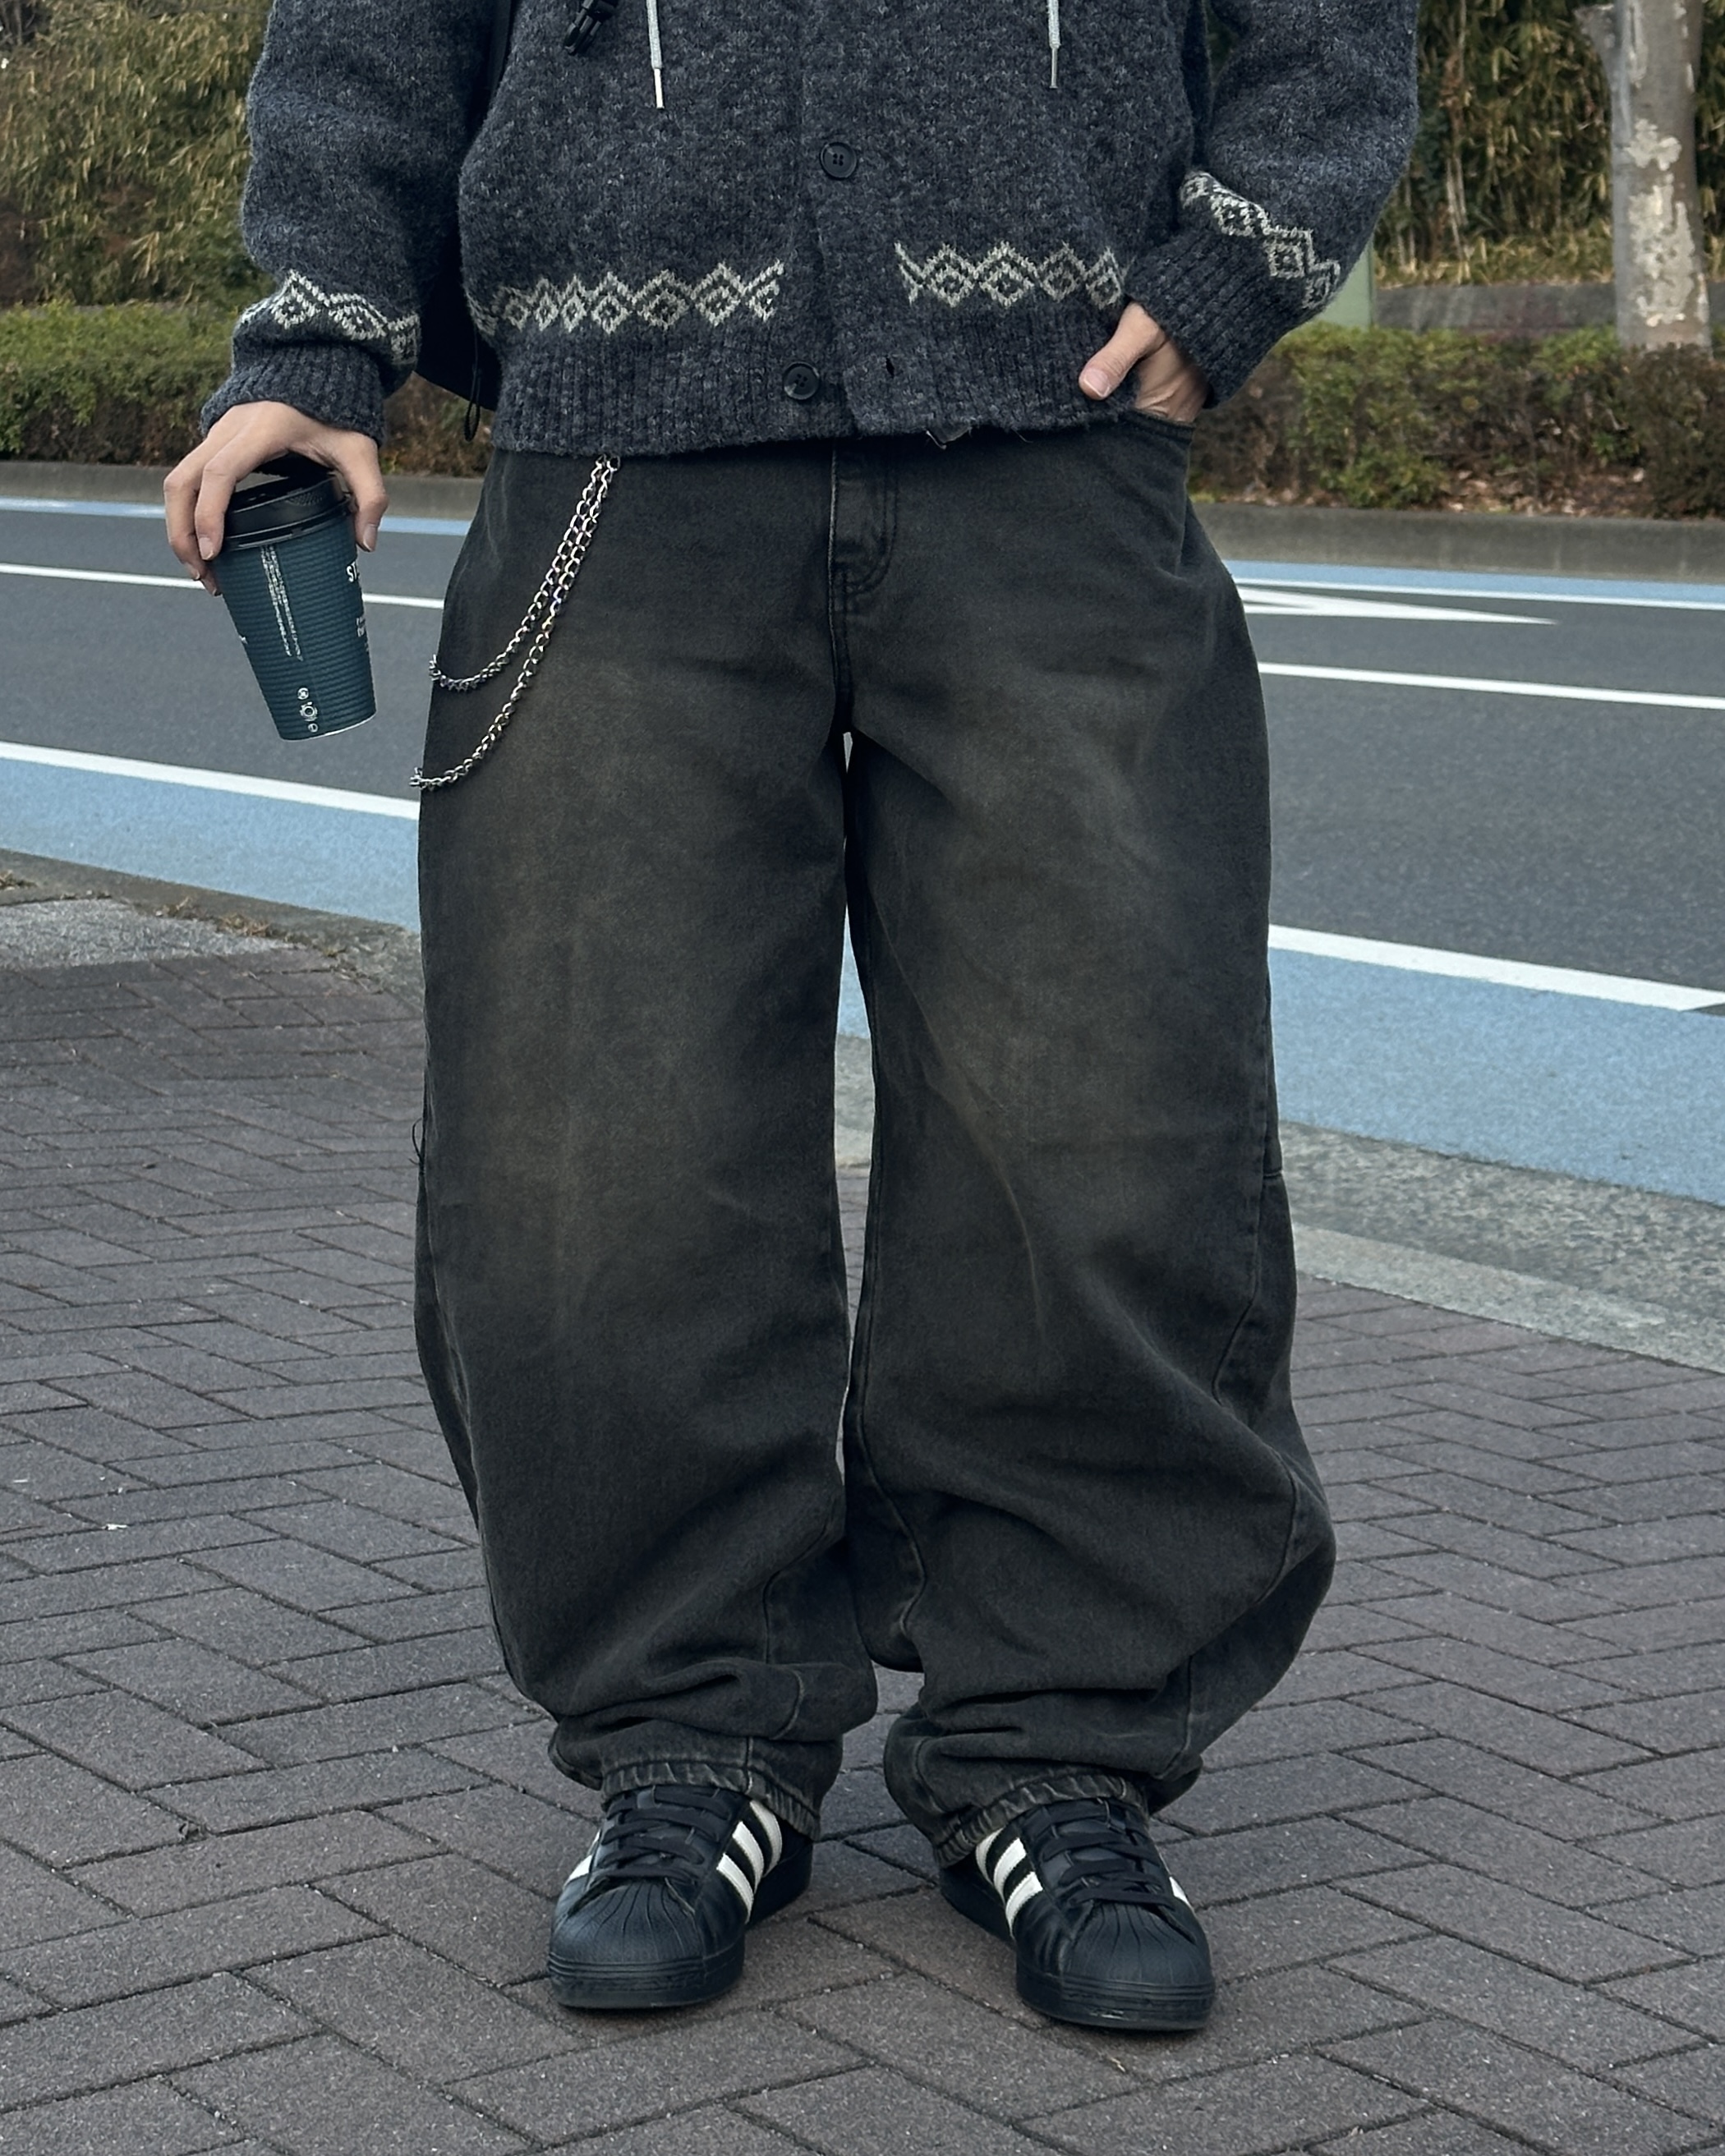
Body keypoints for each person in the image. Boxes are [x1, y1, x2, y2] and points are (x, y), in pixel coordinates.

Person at [168, 0, 1417, 2033]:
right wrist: (311, 347)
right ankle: (695, 1737)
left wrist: (1245, 252)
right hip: (617, 464)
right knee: (597, 1145)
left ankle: (1059, 1747)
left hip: (1054, 437)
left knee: (1106, 1123)